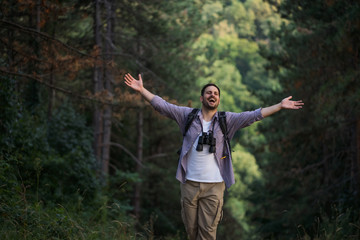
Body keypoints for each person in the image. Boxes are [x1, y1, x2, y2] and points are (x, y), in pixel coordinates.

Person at [124, 73, 303, 240]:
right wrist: (142, 90)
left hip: (214, 186)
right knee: (191, 231)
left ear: (218, 99)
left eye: (216, 93)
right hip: (189, 184)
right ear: (202, 98)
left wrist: (280, 106)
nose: (212, 95)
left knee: (207, 234)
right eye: (208, 92)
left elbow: (254, 116)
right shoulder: (187, 116)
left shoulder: (227, 120)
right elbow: (162, 105)